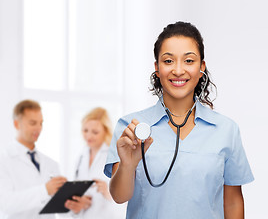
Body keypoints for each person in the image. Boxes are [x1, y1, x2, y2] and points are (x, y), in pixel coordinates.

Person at [104, 21, 254, 219]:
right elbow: (119, 196)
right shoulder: (131, 127)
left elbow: (233, 202)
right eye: (168, 61)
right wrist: (128, 164)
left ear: (202, 67)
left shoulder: (226, 130)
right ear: (157, 68)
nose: (178, 70)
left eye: (189, 61)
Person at [0, 99, 67, 219]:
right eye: (32, 123)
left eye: (41, 123)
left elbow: (60, 208)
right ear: (17, 124)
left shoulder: (51, 163)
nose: (38, 128)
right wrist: (44, 190)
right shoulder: (4, 160)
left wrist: (73, 205)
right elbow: (5, 203)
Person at [64, 107, 126, 218]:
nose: (89, 136)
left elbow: (124, 197)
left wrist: (108, 191)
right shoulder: (81, 157)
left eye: (95, 132)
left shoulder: (114, 156)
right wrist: (82, 202)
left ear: (105, 131)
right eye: (85, 130)